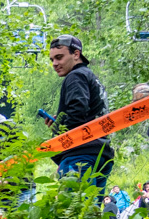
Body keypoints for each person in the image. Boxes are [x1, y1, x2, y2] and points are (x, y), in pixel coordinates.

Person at [43, 35, 116, 194]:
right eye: (52, 59)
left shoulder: (75, 76)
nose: (55, 64)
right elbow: (86, 112)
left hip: (80, 154)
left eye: (59, 57)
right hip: (101, 152)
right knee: (91, 214)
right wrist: (60, 119)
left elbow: (78, 111)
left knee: (73, 213)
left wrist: (59, 131)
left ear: (76, 54)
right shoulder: (90, 76)